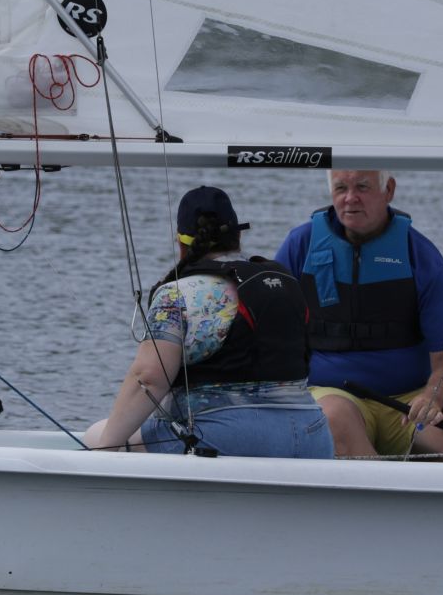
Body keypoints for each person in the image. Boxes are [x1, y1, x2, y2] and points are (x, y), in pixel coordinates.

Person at [84, 186, 333, 459]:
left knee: (97, 434)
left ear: (181, 243)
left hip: (231, 438)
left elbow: (149, 379)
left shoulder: (177, 294)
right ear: (238, 236)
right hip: (312, 433)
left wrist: (104, 450)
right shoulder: (284, 282)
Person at [274, 170, 443, 462]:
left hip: (410, 402)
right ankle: (390, 502)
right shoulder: (300, 246)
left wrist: (432, 398)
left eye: (362, 186)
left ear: (388, 190)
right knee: (334, 421)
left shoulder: (421, 257)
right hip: (332, 394)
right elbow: (268, 334)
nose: (351, 198)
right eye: (341, 188)